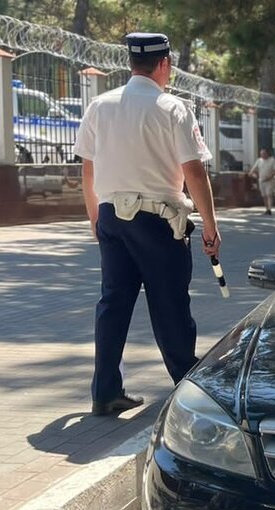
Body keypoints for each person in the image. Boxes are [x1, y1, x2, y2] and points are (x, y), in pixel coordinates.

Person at [72, 32, 220, 416]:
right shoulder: (172, 108)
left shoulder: (100, 105)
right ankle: (187, 388)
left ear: (130, 63)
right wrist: (209, 224)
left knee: (113, 303)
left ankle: (105, 392)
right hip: (157, 221)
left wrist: (94, 217)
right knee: (169, 303)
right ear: (165, 63)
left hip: (110, 218)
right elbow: (194, 172)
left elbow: (88, 172)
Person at [246, 147, 275, 215]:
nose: (263, 155)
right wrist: (254, 175)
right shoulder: (259, 160)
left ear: (267, 153)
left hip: (270, 180)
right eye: (261, 153)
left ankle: (270, 209)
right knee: (264, 195)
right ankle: (266, 208)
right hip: (261, 180)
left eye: (264, 153)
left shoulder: (272, 160)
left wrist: (269, 177)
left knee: (269, 194)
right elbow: (252, 170)